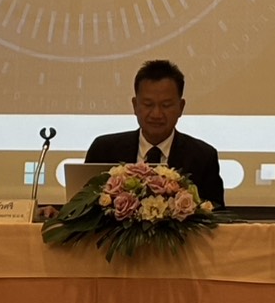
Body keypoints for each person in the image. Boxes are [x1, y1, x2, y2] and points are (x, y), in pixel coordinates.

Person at [85, 59, 225, 209]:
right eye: (148, 104)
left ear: (181, 107)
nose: (156, 114)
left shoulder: (203, 157)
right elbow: (83, 208)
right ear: (135, 105)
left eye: (166, 105)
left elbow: (216, 215)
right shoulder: (104, 150)